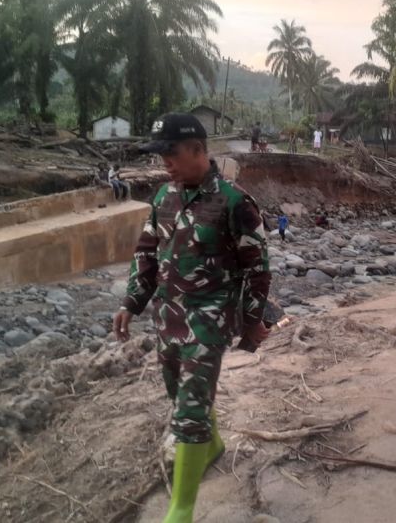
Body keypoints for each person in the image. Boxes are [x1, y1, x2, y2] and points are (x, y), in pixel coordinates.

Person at [112, 112, 271, 523]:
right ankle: (213, 445)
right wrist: (131, 303)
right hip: (168, 317)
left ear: (197, 150)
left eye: (170, 153)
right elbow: (147, 256)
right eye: (160, 154)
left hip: (209, 321)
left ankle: (180, 511)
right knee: (180, 394)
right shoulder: (164, 198)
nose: (164, 162)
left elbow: (257, 267)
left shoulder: (235, 202)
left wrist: (253, 320)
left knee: (189, 410)